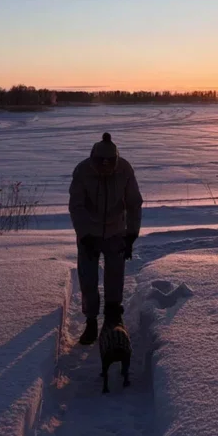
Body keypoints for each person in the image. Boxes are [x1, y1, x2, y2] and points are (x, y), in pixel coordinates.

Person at [69, 132, 143, 345]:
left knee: (115, 275)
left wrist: (131, 235)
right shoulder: (82, 171)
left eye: (110, 162)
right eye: (101, 161)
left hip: (116, 231)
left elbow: (133, 203)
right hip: (89, 234)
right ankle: (91, 320)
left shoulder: (125, 170)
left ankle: (112, 317)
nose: (105, 165)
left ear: (116, 160)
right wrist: (84, 236)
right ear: (93, 159)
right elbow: (77, 206)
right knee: (88, 278)